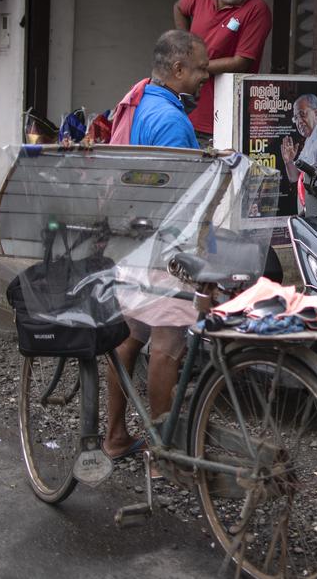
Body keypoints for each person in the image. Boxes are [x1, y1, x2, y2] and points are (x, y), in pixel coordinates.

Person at [103, 29, 209, 461]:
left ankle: (114, 437)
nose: (206, 76)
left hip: (134, 242)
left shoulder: (144, 100)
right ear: (179, 69)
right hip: (164, 246)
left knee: (128, 337)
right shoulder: (169, 120)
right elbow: (176, 194)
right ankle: (167, 455)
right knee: (167, 346)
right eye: (201, 68)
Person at [173, 0, 273, 144]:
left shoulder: (256, 9)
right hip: (188, 113)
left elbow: (241, 62)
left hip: (223, 118)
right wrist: (183, 43)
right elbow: (179, 7)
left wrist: (192, 67)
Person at [280, 93, 317, 185]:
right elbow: (295, 177)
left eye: (302, 114)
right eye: (296, 118)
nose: (299, 122)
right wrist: (289, 161)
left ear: (316, 113)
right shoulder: (310, 139)